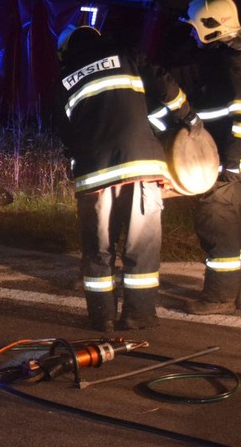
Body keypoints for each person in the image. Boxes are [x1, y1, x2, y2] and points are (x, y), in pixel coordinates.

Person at [54, 24, 191, 332]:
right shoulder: (125, 55)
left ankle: (101, 318)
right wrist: (188, 116)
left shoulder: (62, 81)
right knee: (142, 245)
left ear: (65, 53)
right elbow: (163, 84)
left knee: (98, 248)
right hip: (140, 166)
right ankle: (138, 315)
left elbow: (65, 133)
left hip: (94, 175)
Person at [171, 0, 241, 315]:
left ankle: (219, 297)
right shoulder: (230, 57)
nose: (191, 33)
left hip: (231, 164)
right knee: (234, 228)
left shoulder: (231, 59)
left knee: (215, 224)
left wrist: (229, 162)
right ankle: (239, 292)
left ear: (210, 26)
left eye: (194, 27)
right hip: (240, 164)